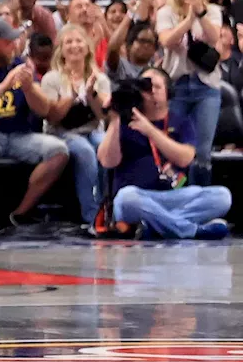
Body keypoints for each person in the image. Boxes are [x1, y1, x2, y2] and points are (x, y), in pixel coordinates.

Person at [0, 16, 69, 236]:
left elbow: (44, 110)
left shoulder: (20, 66)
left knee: (59, 151)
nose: (14, 45)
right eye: (7, 41)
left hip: (20, 134)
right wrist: (3, 86)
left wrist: (29, 88)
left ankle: (19, 213)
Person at [99, 69, 232, 240]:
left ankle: (154, 225)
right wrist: (116, 117)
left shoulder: (181, 122)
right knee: (126, 198)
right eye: (145, 86)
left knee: (222, 196)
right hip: (138, 198)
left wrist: (150, 130)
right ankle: (190, 229)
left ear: (168, 92)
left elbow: (185, 158)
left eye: (156, 86)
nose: (151, 91)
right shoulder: (125, 121)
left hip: (173, 196)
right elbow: (107, 161)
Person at [156, 0, 222, 185]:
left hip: (206, 88)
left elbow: (214, 39)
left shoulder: (212, 11)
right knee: (174, 150)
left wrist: (200, 13)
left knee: (202, 154)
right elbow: (167, 40)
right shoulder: (165, 12)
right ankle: (177, 202)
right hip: (176, 87)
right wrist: (189, 19)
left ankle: (201, 204)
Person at [40, 24, 112, 229]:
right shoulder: (52, 79)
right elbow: (53, 118)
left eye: (79, 41)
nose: (74, 46)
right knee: (85, 151)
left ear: (88, 47)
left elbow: (103, 117)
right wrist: (70, 95)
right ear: (61, 49)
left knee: (105, 147)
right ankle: (90, 214)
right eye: (69, 42)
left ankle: (107, 208)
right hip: (62, 132)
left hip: (92, 129)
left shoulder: (100, 79)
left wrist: (91, 95)